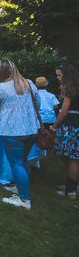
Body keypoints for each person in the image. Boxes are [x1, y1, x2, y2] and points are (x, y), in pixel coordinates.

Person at [0, 59, 40, 210]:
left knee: (17, 163)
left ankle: (24, 199)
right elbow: (38, 103)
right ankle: (20, 187)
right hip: (32, 129)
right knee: (23, 160)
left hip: (12, 131)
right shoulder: (29, 83)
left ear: (0, 72)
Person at [52, 64, 79, 197]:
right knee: (71, 157)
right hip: (75, 124)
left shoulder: (69, 89)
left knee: (72, 157)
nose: (57, 78)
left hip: (71, 125)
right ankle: (71, 184)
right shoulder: (76, 87)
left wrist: (54, 126)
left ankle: (71, 189)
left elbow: (63, 112)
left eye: (59, 75)